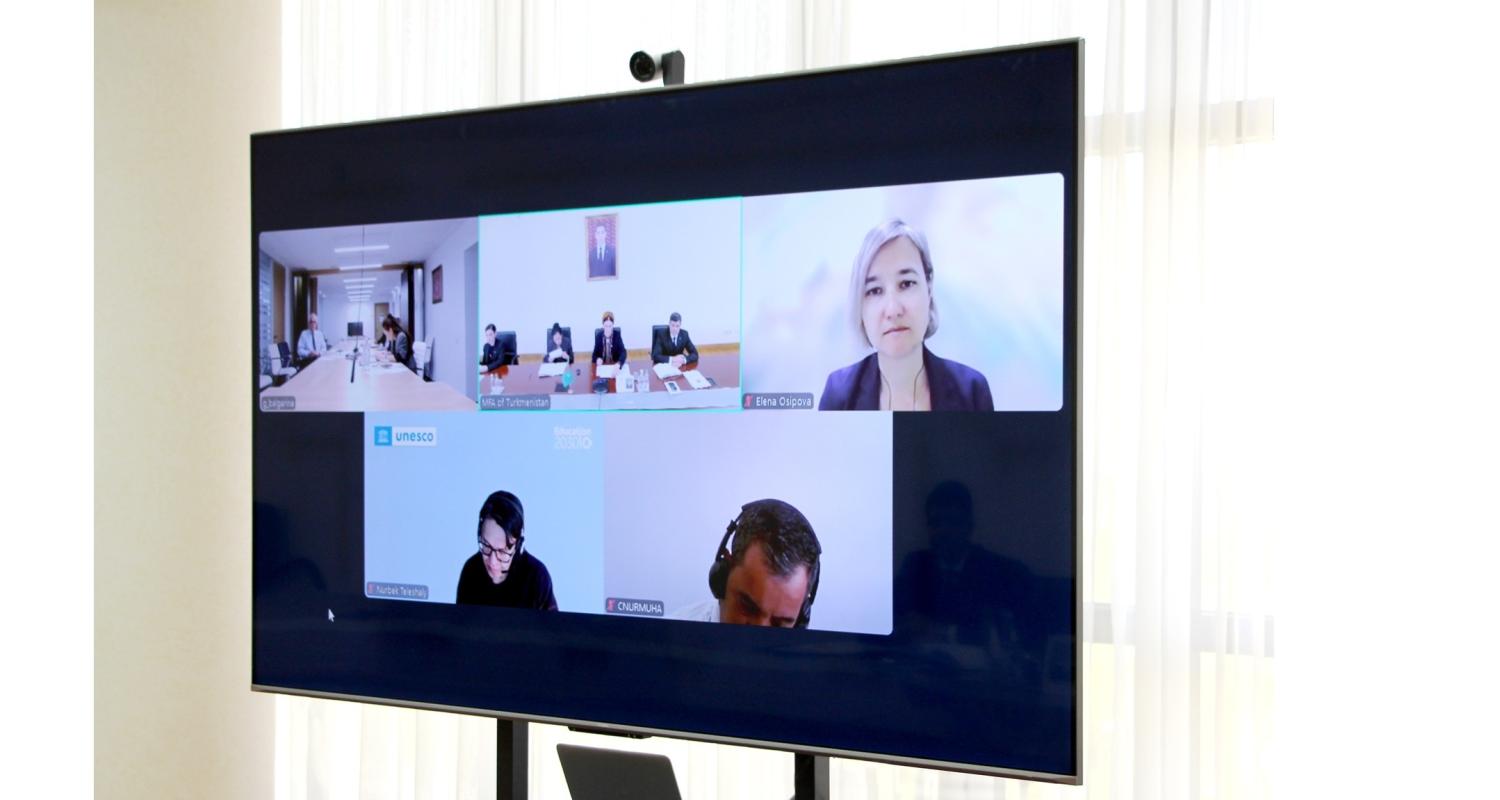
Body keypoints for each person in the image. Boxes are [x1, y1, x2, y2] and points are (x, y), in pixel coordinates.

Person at [818, 220, 993, 411]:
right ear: (860, 307)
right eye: (875, 290)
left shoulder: (972, 392)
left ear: (929, 288)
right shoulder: (839, 395)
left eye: (906, 284)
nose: (893, 310)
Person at [671, 499, 822, 628]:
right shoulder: (665, 640)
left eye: (779, 624)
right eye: (748, 608)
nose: (759, 638)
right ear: (722, 580)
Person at [456, 491, 559, 610]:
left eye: (502, 551)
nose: (492, 562)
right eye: (486, 545)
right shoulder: (471, 571)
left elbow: (551, 622)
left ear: (518, 545)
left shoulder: (537, 577)